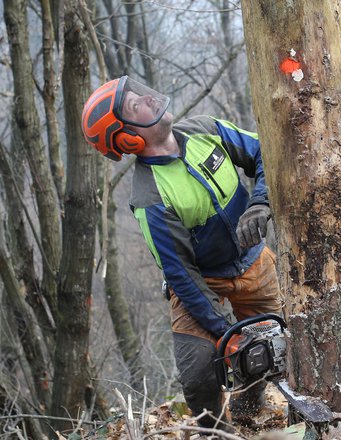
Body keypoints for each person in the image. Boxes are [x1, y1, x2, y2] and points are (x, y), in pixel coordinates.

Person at [81, 76, 283, 429]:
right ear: (127, 137)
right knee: (197, 374)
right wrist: (224, 331)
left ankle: (251, 412)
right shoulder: (150, 198)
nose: (147, 101)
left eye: (140, 95)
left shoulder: (205, 130)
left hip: (254, 264)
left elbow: (265, 151)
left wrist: (260, 202)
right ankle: (216, 433)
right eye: (134, 106)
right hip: (202, 282)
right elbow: (181, 274)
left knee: (277, 345)